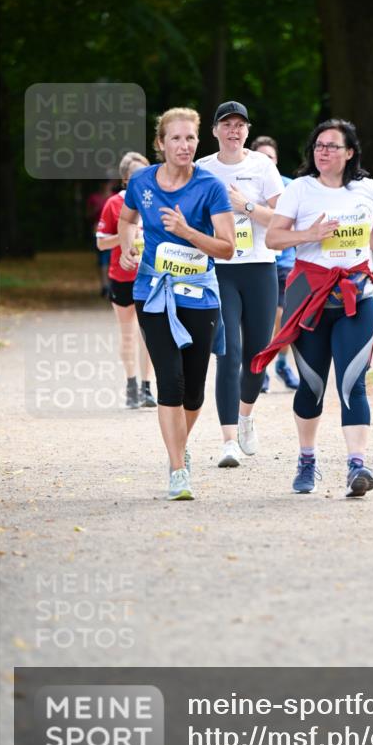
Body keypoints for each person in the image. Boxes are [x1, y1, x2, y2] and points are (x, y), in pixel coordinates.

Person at [257, 118, 373, 498]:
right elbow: (274, 239)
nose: (323, 151)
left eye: (332, 146)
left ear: (350, 153)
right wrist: (310, 234)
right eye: (318, 145)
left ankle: (357, 466)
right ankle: (307, 460)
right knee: (312, 387)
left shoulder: (367, 188)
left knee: (353, 382)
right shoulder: (300, 190)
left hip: (356, 293)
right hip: (310, 296)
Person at [118, 108, 235, 500]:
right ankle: (177, 468)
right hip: (153, 292)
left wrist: (187, 231)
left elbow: (228, 248)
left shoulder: (211, 187)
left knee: (194, 392)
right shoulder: (141, 181)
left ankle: (179, 448)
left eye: (190, 138)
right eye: (176, 139)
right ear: (160, 143)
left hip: (200, 294)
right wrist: (125, 248)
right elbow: (126, 218)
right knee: (170, 380)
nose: (184, 146)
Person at [197, 101, 285, 468]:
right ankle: (229, 439)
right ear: (215, 131)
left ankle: (246, 415)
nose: (233, 130)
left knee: (257, 353)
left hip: (260, 267)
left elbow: (282, 220)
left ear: (247, 131)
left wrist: (244, 205)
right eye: (226, 124)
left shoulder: (263, 167)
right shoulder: (202, 168)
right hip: (220, 268)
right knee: (228, 353)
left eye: (240, 125)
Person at [96, 152, 156, 408]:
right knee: (129, 334)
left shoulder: (155, 201)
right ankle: (131, 385)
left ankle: (147, 387)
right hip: (122, 276)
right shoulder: (113, 204)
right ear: (125, 179)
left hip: (151, 275)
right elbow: (100, 243)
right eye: (135, 176)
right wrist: (125, 239)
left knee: (150, 336)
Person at [250, 134, 300, 391]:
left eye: (271, 157)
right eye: (262, 157)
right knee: (266, 319)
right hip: (259, 260)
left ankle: (281, 362)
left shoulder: (290, 187)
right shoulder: (248, 187)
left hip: (287, 261)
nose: (267, 161)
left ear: (277, 159)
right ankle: (263, 368)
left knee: (286, 317)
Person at [86, 180, 116, 297]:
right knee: (103, 258)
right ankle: (105, 285)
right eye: (104, 182)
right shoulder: (94, 198)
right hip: (99, 230)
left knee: (113, 258)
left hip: (114, 231)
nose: (106, 185)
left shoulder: (115, 197)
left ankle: (112, 285)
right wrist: (95, 210)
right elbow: (87, 215)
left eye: (108, 182)